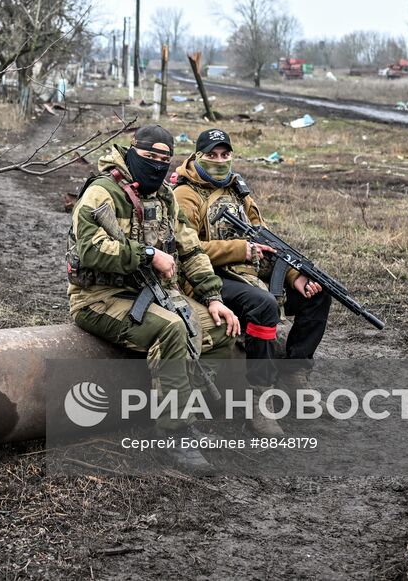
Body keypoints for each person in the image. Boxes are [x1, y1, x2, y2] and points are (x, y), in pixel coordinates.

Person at [66, 124, 240, 467]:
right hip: (99, 297)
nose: (157, 164)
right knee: (172, 328)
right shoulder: (103, 193)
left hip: (151, 292)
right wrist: (147, 255)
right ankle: (174, 433)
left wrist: (214, 297)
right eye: (149, 157)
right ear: (132, 153)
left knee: (221, 329)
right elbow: (89, 250)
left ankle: (179, 411)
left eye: (165, 159)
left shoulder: (164, 195)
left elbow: (190, 250)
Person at [171, 128, 331, 384]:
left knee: (318, 295)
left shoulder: (238, 192)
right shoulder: (184, 195)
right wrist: (240, 250)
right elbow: (186, 250)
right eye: (212, 155)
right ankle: (260, 393)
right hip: (204, 280)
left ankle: (295, 373)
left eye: (225, 155)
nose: (220, 161)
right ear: (198, 156)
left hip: (247, 274)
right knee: (263, 303)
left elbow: (265, 240)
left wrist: (293, 277)